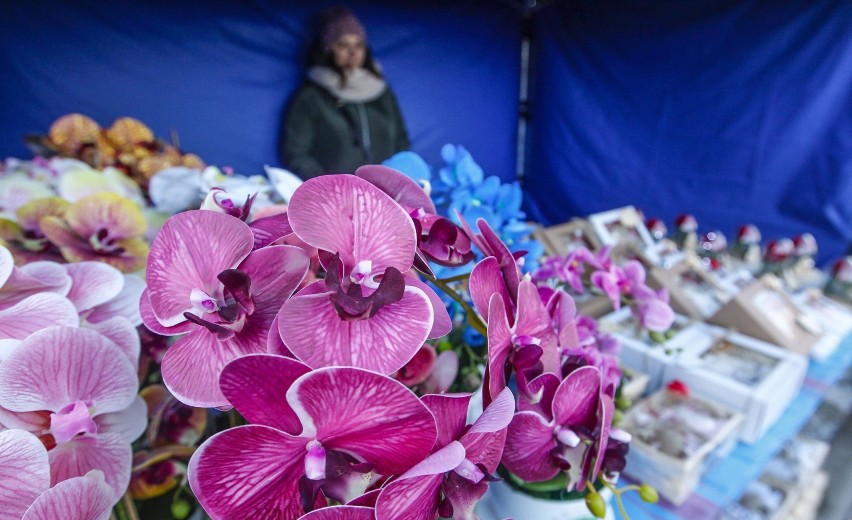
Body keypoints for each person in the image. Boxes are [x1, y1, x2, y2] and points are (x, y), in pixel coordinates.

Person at [280, 6, 410, 180]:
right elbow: (295, 153)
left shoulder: (382, 92)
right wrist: (329, 185)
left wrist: (399, 180)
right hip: (336, 199)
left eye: (358, 44)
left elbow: (402, 142)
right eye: (343, 44)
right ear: (327, 49)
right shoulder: (311, 97)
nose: (353, 52)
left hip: (384, 196)